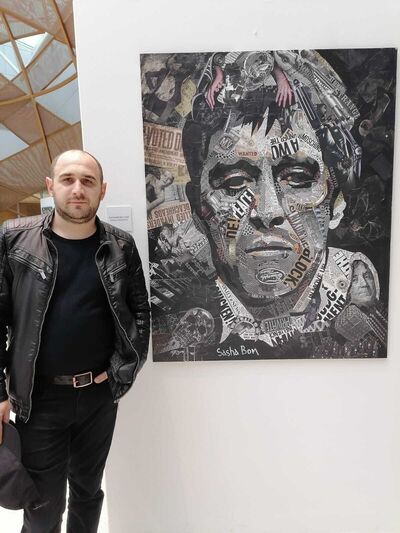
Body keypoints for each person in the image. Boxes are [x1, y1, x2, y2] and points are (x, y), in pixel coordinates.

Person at [148, 50, 388, 359]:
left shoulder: (358, 288)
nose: (267, 211)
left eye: (298, 178)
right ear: (196, 205)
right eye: (235, 182)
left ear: (335, 199)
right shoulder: (181, 309)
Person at [0, 149, 150, 532]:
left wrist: (120, 373)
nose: (78, 189)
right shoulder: (14, 239)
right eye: (68, 179)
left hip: (98, 397)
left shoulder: (121, 246)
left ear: (102, 190)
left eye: (87, 181)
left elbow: (140, 314)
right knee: (43, 506)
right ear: (51, 186)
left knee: (88, 494)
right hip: (39, 400)